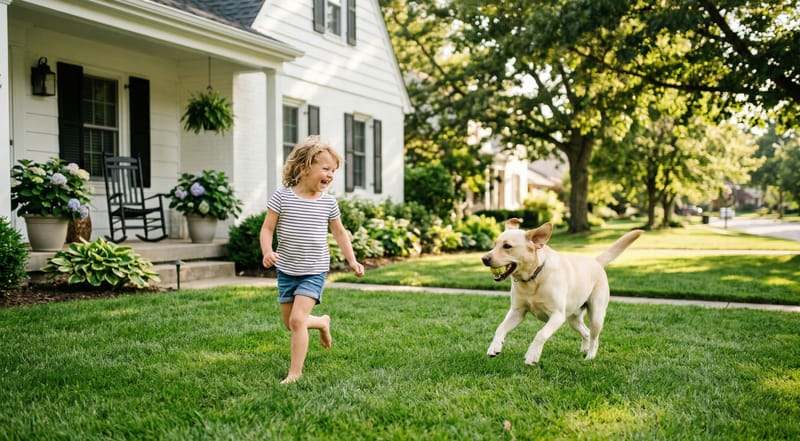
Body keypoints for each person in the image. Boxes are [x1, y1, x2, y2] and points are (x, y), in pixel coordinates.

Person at [260, 136, 365, 384]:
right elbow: (267, 229)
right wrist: (267, 251)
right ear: (304, 167)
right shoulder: (282, 197)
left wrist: (352, 260)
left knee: (297, 321)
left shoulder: (328, 202)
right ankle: (321, 323)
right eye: (326, 169)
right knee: (291, 323)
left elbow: (340, 232)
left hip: (314, 270)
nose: (330, 175)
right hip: (287, 270)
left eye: (333, 171)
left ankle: (294, 374)